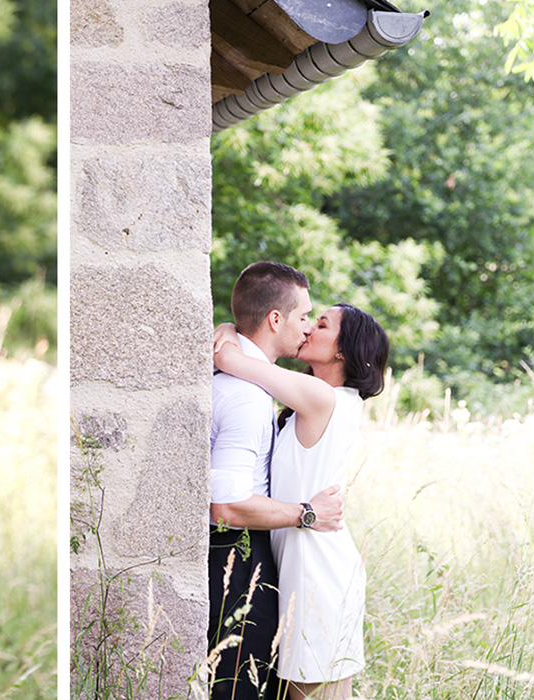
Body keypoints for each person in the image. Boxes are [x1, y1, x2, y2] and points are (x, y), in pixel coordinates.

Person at [213, 302, 389, 700]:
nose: (308, 328)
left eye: (322, 324)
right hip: (302, 565)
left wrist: (229, 327)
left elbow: (228, 357)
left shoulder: (321, 397)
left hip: (318, 573)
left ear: (343, 351)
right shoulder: (313, 398)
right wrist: (229, 324)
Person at [208, 261, 346, 700]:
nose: (307, 328)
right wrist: (307, 513)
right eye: (304, 316)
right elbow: (225, 505)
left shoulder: (243, 376)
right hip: (235, 555)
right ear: (274, 319)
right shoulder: (247, 398)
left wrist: (228, 330)